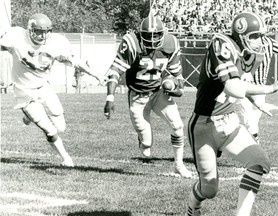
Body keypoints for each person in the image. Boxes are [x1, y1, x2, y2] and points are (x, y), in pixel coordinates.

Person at [185, 12, 278, 216]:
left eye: (261, 36)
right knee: (209, 190)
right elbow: (233, 88)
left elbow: (240, 86)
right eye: (255, 36)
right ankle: (193, 205)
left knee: (259, 162)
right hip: (203, 125)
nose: (259, 41)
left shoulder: (248, 54)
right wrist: (269, 88)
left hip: (229, 122)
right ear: (240, 33)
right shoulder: (222, 44)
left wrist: (256, 101)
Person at [0, 13, 103, 167]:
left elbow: (76, 61)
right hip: (24, 92)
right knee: (50, 130)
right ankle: (66, 158)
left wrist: (94, 73)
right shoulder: (17, 37)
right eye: (39, 31)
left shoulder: (56, 43)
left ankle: (28, 117)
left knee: (61, 127)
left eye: (46, 31)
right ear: (30, 30)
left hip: (43, 87)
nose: (43, 35)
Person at [103, 14, 192, 178]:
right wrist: (110, 97)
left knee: (178, 126)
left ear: (163, 33)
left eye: (156, 35)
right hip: (138, 97)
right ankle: (143, 140)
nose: (152, 39)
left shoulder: (170, 43)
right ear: (140, 34)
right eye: (147, 35)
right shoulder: (132, 42)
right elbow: (115, 71)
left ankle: (179, 165)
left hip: (158, 92)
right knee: (146, 147)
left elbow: (178, 78)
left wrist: (175, 86)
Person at [238, 35, 278, 143]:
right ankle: (253, 142)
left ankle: (252, 141)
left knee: (254, 117)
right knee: (247, 117)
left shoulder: (269, 42)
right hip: (244, 84)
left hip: (259, 88)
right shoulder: (241, 41)